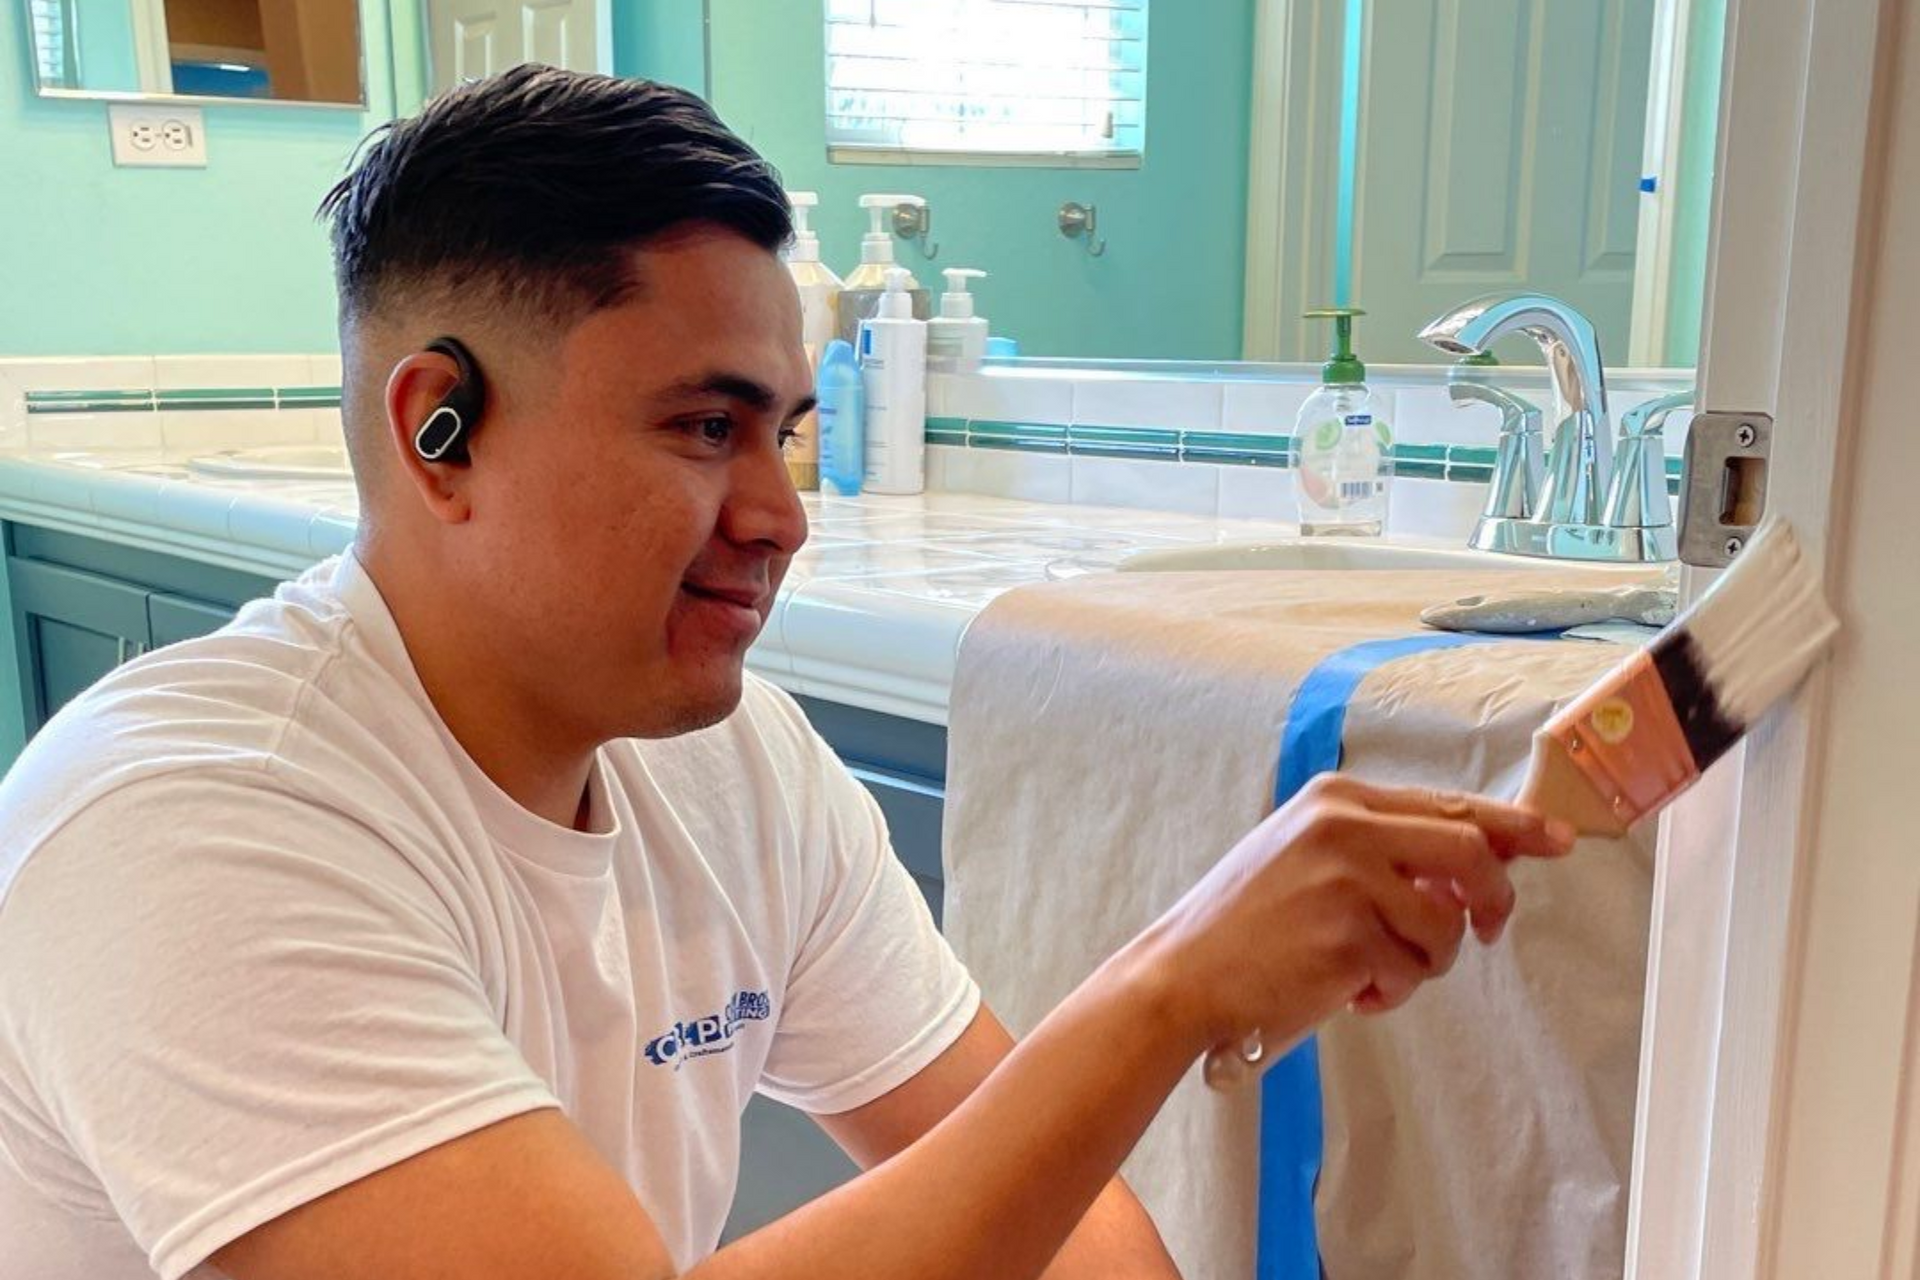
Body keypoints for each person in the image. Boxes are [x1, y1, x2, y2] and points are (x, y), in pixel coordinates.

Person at [0, 66, 1574, 1280]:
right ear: (440, 430)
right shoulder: (193, 821)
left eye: (787, 429)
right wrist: (1163, 991)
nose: (779, 518)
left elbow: (1052, 1203)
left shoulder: (726, 757)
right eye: (705, 426)